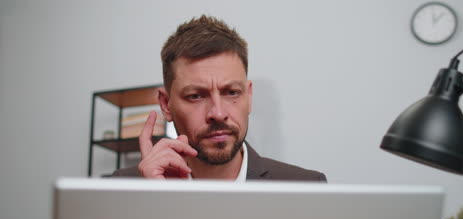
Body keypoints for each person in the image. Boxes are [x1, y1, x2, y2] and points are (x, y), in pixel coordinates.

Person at [112, 15, 326, 182]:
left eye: (232, 92)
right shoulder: (119, 191)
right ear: (166, 105)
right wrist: (151, 203)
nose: (218, 113)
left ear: (249, 96)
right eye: (196, 96)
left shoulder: (307, 186)